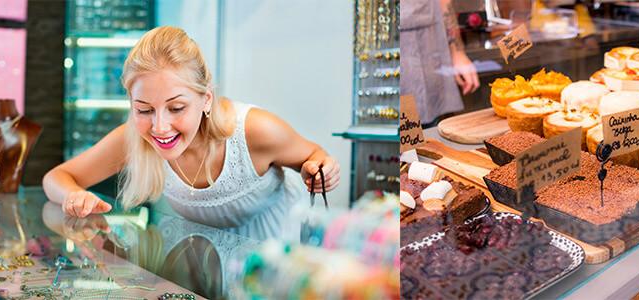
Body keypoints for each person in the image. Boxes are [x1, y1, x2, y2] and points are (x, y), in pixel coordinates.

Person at [42, 26, 340, 239]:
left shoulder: (255, 130)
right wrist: (75, 196)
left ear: (206, 99)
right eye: (144, 110)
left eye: (176, 108)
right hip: (199, 265)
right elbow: (55, 179)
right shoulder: (134, 135)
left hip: (272, 263)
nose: (159, 127)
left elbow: (315, 157)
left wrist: (320, 169)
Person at [400, 0, 480, 127]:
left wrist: (457, 52)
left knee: (419, 141)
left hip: (425, 67)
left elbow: (444, 3)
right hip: (377, 72)